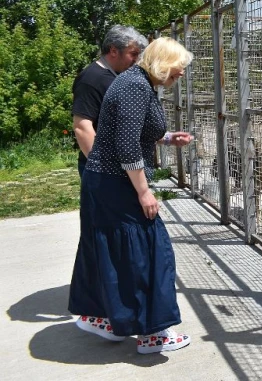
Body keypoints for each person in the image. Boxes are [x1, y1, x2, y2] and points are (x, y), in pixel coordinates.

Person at [68, 37, 195, 354]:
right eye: (177, 70)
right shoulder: (136, 86)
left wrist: (166, 138)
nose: (180, 76)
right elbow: (126, 147)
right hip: (117, 183)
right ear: (163, 64)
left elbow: (132, 130)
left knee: (117, 253)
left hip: (107, 181)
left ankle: (103, 318)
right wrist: (144, 192)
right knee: (148, 253)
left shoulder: (137, 82)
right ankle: (152, 334)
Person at [72, 25, 149, 178]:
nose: (136, 60)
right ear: (113, 50)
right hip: (103, 170)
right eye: (133, 54)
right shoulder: (91, 79)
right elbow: (82, 127)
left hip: (121, 167)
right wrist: (103, 168)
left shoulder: (116, 76)